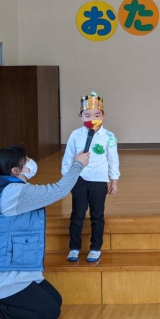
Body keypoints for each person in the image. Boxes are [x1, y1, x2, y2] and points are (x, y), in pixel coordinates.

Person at [0, 145, 90, 319]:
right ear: (15, 170)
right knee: (49, 313)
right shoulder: (14, 192)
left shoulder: (14, 188)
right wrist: (78, 165)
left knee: (55, 300)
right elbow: (58, 190)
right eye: (26, 160)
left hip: (18, 269)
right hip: (3, 275)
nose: (30, 162)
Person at [62, 91, 120, 263]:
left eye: (97, 115)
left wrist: (114, 180)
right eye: (87, 115)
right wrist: (66, 178)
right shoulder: (75, 134)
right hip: (78, 179)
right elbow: (68, 157)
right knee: (77, 214)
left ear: (103, 115)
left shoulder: (109, 137)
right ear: (80, 116)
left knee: (97, 215)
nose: (92, 118)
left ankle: (95, 247)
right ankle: (74, 247)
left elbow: (113, 159)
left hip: (99, 180)